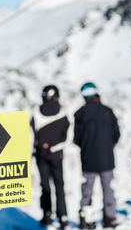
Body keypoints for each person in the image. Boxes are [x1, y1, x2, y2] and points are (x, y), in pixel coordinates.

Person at [74, 82, 120, 229]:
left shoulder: (80, 114)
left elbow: (77, 139)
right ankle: (110, 219)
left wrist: (87, 147)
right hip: (106, 158)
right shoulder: (108, 111)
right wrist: (107, 146)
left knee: (87, 191)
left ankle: (85, 220)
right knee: (108, 190)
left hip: (88, 159)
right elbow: (116, 135)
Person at [30, 85, 70, 230]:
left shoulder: (36, 112)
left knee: (45, 186)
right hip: (56, 156)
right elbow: (67, 137)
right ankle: (63, 217)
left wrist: (41, 147)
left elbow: (32, 136)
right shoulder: (63, 112)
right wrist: (53, 147)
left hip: (41, 156)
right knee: (59, 186)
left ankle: (46, 215)